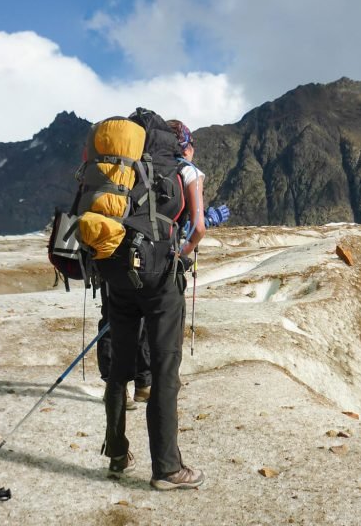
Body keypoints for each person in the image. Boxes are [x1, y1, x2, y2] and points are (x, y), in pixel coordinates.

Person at [102, 119, 214, 490]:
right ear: (183, 144)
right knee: (166, 368)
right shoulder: (186, 169)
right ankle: (167, 468)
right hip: (160, 277)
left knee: (120, 365)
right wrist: (180, 256)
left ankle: (117, 452)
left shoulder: (123, 166)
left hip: (117, 274)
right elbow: (198, 227)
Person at [95, 120, 229, 409]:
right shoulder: (183, 170)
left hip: (114, 253)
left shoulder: (134, 168)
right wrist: (184, 251)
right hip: (155, 262)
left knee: (114, 321)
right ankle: (145, 385)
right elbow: (186, 224)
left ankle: (115, 391)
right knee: (149, 321)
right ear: (185, 146)